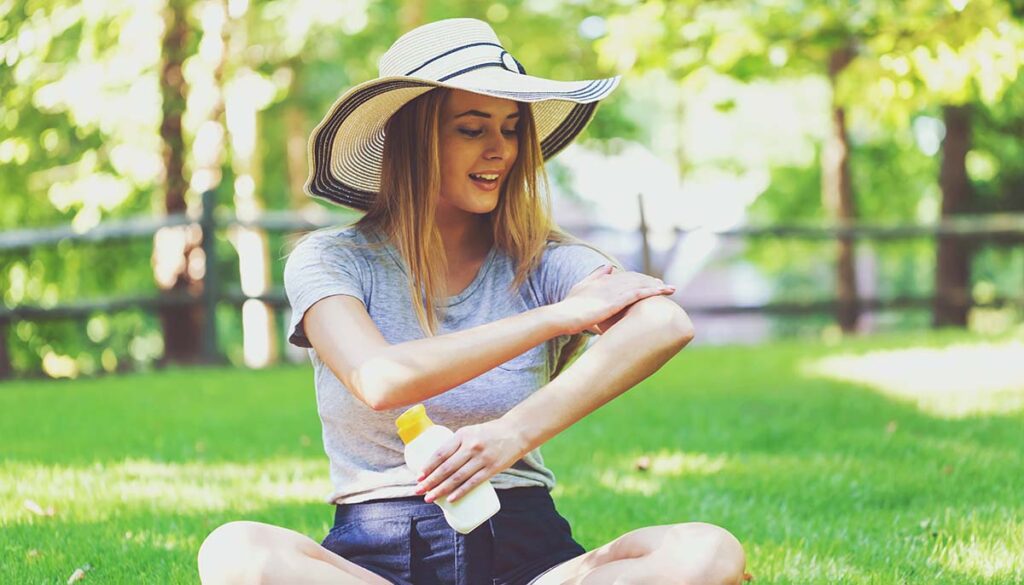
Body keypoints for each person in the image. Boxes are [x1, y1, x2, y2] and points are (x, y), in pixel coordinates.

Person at [198, 18, 746, 585]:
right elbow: (379, 377)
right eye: (471, 128)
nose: (500, 150)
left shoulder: (542, 259)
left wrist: (512, 435)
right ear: (413, 139)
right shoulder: (333, 258)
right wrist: (559, 317)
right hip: (378, 557)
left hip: (529, 554)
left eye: (511, 129)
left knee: (709, 552)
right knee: (235, 552)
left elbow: (664, 322)